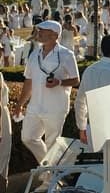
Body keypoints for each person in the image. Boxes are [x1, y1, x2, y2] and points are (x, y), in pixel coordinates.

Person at [13, 20, 80, 163]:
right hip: (35, 106)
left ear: (54, 35)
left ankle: (49, 181)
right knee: (27, 137)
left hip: (56, 107)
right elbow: (28, 81)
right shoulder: (34, 54)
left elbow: (76, 80)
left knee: (52, 144)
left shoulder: (66, 54)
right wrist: (20, 104)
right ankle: (49, 168)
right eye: (40, 30)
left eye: (43, 31)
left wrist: (59, 82)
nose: (39, 33)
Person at [75, 33, 110, 148]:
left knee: (91, 165)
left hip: (91, 130)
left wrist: (82, 127)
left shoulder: (90, 70)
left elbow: (80, 101)